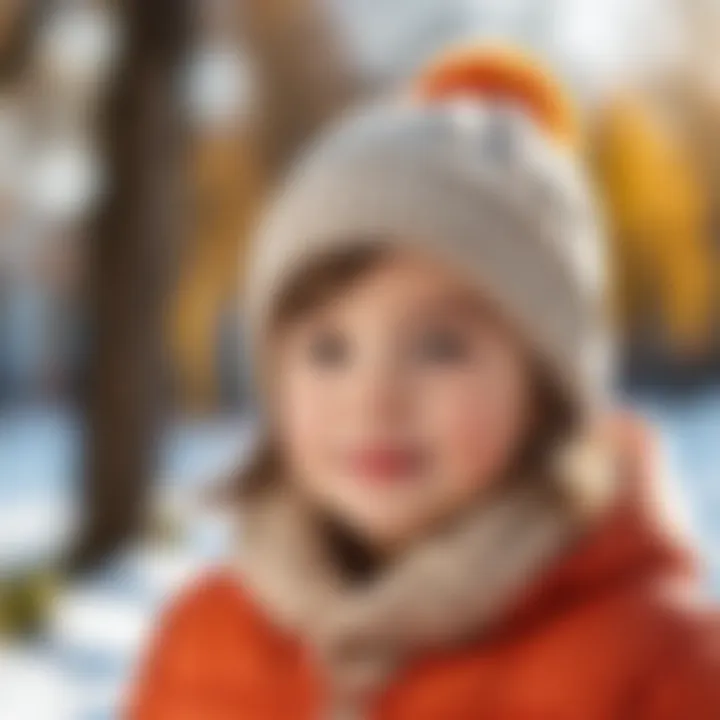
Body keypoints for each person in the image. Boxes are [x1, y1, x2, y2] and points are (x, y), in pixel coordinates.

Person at [130, 46, 719, 719]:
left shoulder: (657, 662)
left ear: (548, 384)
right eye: (328, 349)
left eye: (440, 347)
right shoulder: (203, 637)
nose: (374, 397)